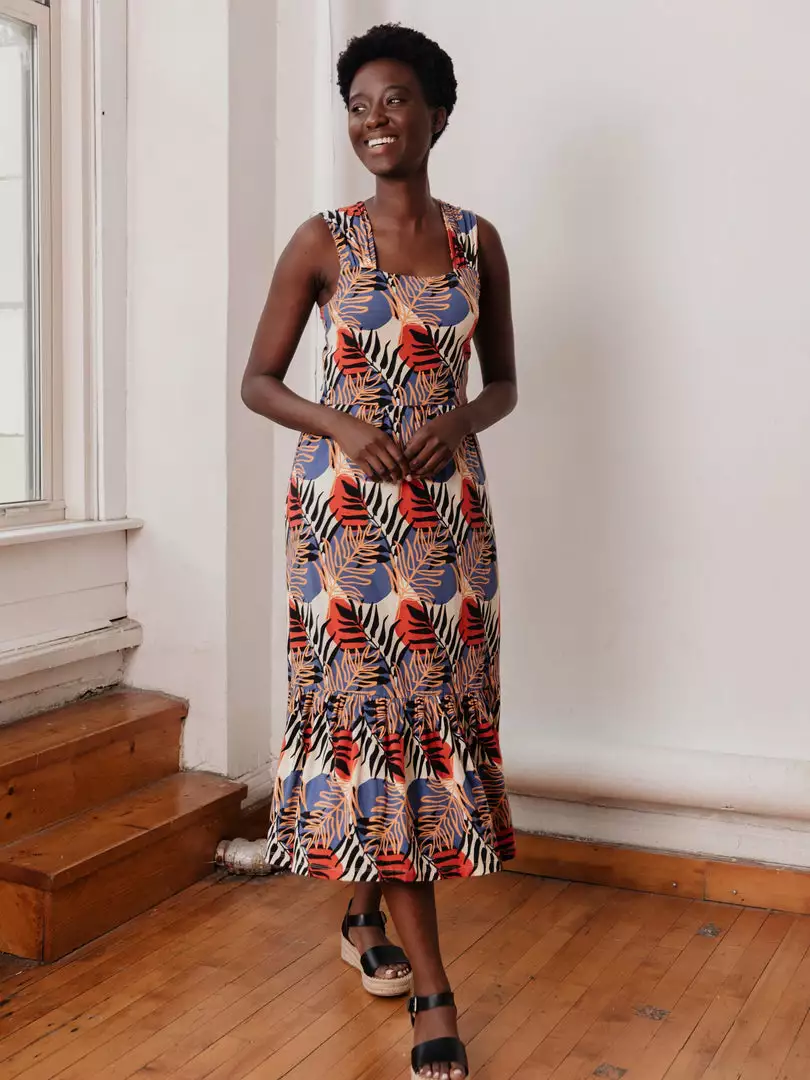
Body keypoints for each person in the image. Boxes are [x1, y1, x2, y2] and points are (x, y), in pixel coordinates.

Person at [242, 23, 517, 1080]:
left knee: (422, 726)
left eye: (395, 100)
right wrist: (343, 426)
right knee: (375, 727)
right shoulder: (323, 240)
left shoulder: (478, 241)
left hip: (448, 530)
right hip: (344, 529)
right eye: (358, 105)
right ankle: (435, 994)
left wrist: (460, 419)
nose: (374, 121)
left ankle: (363, 917)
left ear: (437, 114)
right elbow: (258, 381)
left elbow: (504, 383)